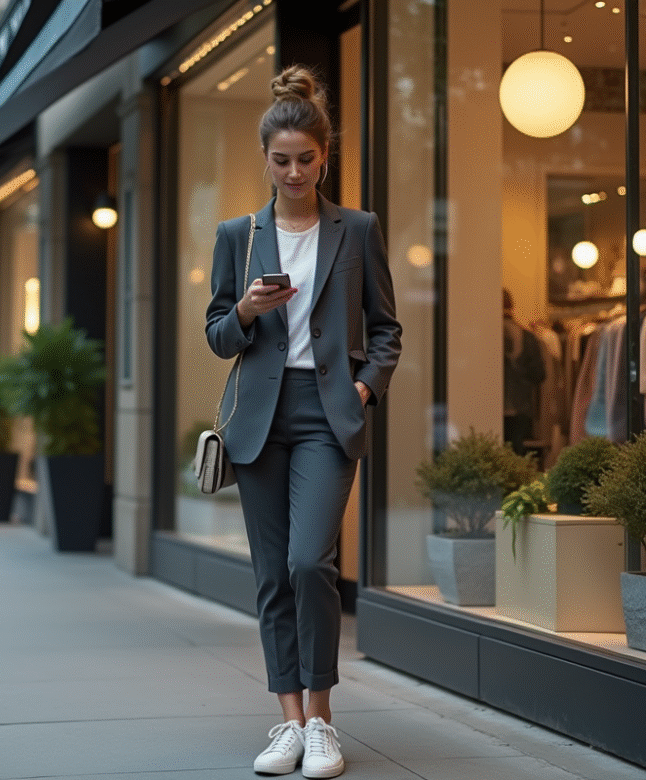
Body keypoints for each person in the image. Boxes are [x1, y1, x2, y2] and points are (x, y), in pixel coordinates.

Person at [205, 65, 402, 779]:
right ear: (265, 159)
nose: (293, 172)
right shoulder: (239, 233)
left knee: (307, 562)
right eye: (281, 160)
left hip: (327, 414)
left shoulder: (358, 229)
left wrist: (364, 389)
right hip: (260, 418)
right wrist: (249, 311)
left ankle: (323, 720)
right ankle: (288, 721)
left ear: (326, 157)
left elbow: (387, 329)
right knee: (269, 574)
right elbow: (218, 334)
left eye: (306, 159)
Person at [502, 289, 546, 456]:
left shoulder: (485, 336)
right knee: (517, 453)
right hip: (521, 408)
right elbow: (539, 374)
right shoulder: (527, 337)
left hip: (492, 404)